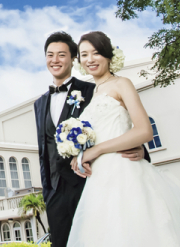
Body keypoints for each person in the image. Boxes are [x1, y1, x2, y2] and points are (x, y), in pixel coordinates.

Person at [66, 31, 180, 246]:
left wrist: (98, 150)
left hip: (123, 171)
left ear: (109, 55)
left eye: (96, 53)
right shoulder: (93, 94)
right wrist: (81, 156)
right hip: (99, 178)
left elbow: (144, 131)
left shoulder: (122, 83)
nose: (90, 59)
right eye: (84, 54)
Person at [33, 32, 146, 247]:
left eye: (61, 55)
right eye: (50, 55)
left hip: (89, 182)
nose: (55, 60)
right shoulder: (39, 104)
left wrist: (140, 148)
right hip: (55, 192)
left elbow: (119, 121)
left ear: (73, 59)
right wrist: (47, 189)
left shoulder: (94, 89)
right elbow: (44, 149)